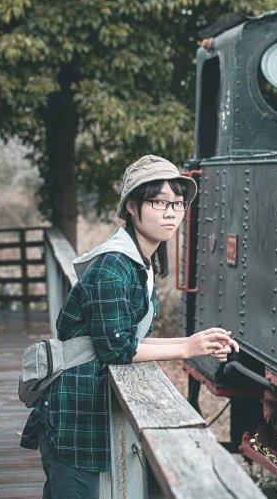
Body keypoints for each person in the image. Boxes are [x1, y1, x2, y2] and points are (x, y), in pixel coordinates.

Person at [19, 155, 238, 498]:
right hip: (74, 412)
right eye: (159, 202)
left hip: (88, 405)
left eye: (178, 204)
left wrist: (196, 341)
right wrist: (187, 348)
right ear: (133, 207)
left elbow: (126, 338)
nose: (171, 212)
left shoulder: (139, 263)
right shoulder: (112, 268)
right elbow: (118, 349)